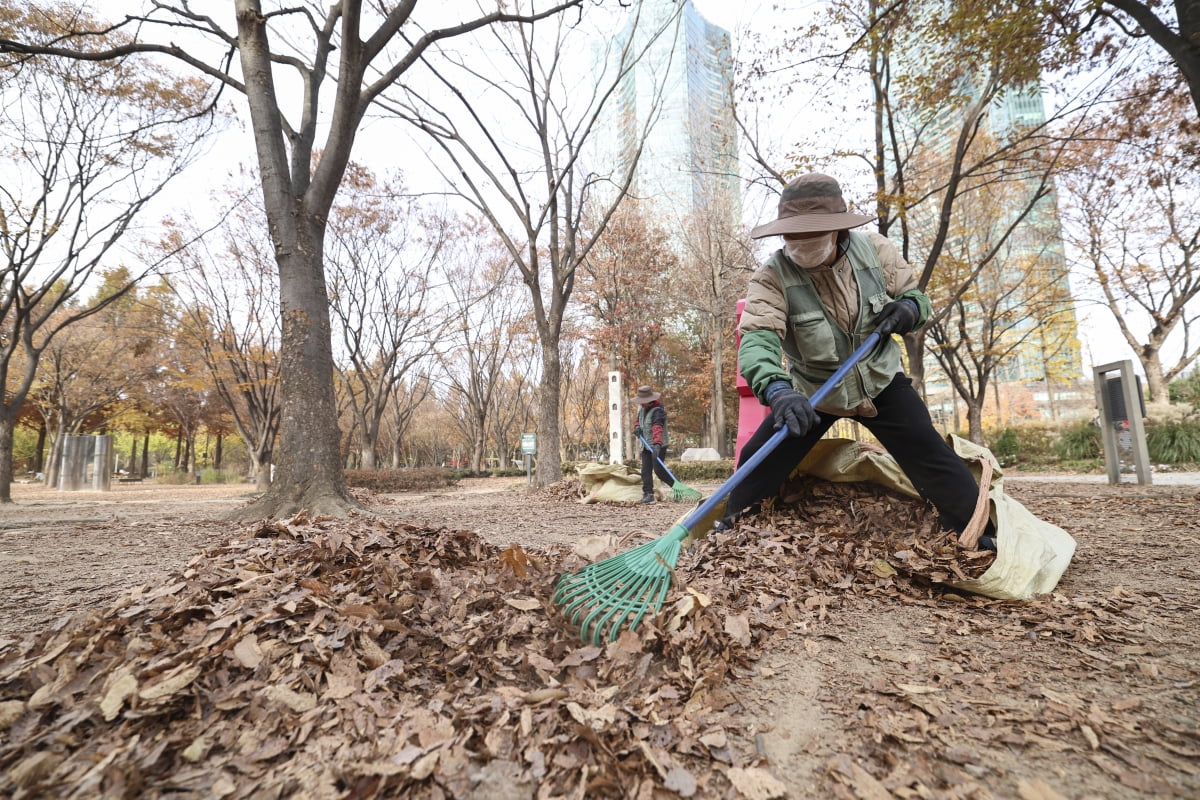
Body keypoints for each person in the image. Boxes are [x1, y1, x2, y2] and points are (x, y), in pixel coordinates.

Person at [728, 172, 996, 549]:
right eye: (792, 235)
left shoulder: (875, 251)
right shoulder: (771, 277)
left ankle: (976, 533)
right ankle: (733, 532)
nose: (800, 244)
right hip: (814, 390)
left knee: (930, 454)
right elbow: (758, 338)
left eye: (811, 235)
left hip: (879, 378)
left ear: (836, 231)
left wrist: (907, 310)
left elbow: (916, 298)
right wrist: (777, 389)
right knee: (759, 458)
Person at [631, 384, 675, 504]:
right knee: (645, 470)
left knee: (659, 470)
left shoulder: (658, 412)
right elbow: (638, 422)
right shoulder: (642, 410)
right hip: (645, 445)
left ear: (650, 401)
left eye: (643, 402)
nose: (640, 404)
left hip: (658, 445)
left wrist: (657, 444)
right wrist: (637, 428)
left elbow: (657, 428)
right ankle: (648, 494)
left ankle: (676, 487)